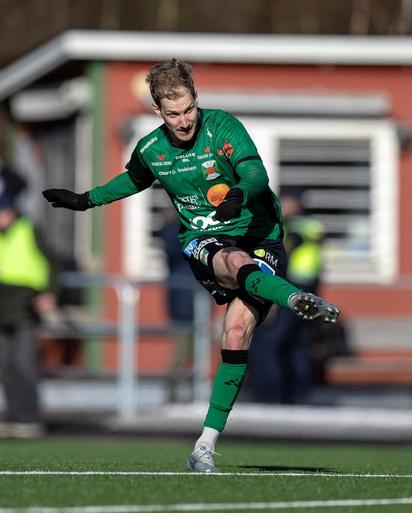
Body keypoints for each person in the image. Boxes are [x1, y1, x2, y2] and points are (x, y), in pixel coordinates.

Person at [42, 59, 340, 472]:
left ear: (196, 99)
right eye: (173, 114)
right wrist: (85, 200)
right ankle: (296, 300)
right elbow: (134, 179)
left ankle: (203, 446)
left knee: (235, 332)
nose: (183, 121)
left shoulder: (222, 127)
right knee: (232, 260)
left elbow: (255, 171)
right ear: (157, 111)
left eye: (188, 109)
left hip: (261, 234)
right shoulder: (151, 149)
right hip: (204, 238)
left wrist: (239, 193)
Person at [248, 195, 327, 404]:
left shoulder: (291, 228)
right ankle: (298, 392)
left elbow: (281, 259)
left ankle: (272, 393)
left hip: (291, 290)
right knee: (297, 343)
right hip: (308, 290)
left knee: (272, 342)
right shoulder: (311, 226)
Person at [0, 190, 59, 438]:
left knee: (24, 363)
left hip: (25, 304)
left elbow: (53, 262)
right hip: (2, 305)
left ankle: (30, 418)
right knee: (5, 365)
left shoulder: (30, 230)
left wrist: (50, 293)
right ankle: (14, 417)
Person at [157, 208, 199, 401]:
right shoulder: (176, 231)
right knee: (183, 349)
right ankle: (174, 393)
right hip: (184, 300)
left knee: (192, 349)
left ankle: (188, 391)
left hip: (188, 299)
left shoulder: (175, 230)